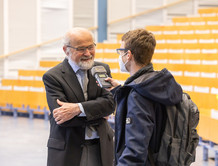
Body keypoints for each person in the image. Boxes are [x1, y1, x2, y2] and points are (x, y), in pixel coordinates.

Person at [106, 28, 183, 165]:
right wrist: (119, 90)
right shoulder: (157, 83)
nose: (120, 56)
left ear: (128, 55)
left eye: (121, 51)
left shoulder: (138, 95)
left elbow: (135, 152)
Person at [42, 27, 115, 166]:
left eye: (91, 47)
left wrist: (78, 109)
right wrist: (99, 112)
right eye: (81, 49)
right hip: (69, 149)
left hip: (101, 146)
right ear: (66, 50)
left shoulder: (102, 69)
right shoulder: (53, 77)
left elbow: (110, 104)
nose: (87, 53)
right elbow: (62, 118)